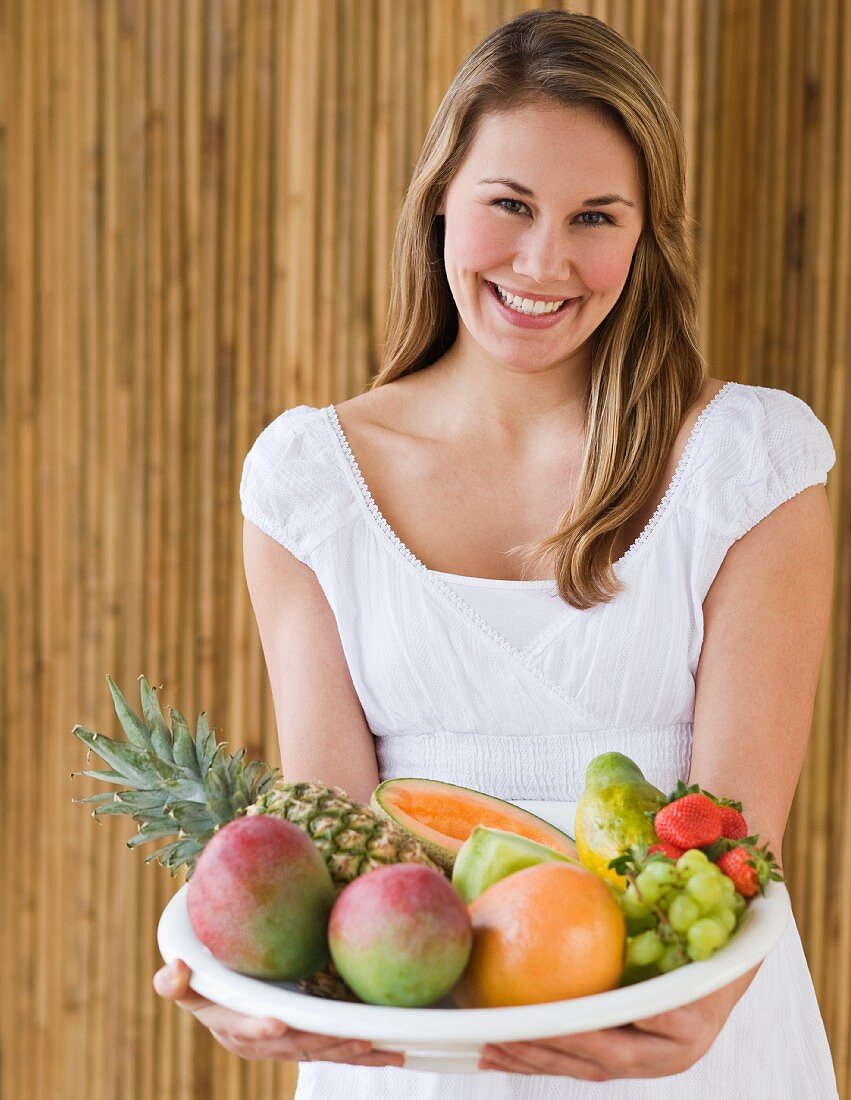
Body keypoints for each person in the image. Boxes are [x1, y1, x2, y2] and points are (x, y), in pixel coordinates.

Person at [154, 8, 839, 1097]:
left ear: (645, 232)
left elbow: (730, 841)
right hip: (414, 1049)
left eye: (595, 217)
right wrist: (269, 990)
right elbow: (329, 822)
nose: (544, 260)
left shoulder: (748, 464)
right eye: (508, 204)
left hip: (681, 1031)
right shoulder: (310, 480)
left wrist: (694, 1016)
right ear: (437, 200)